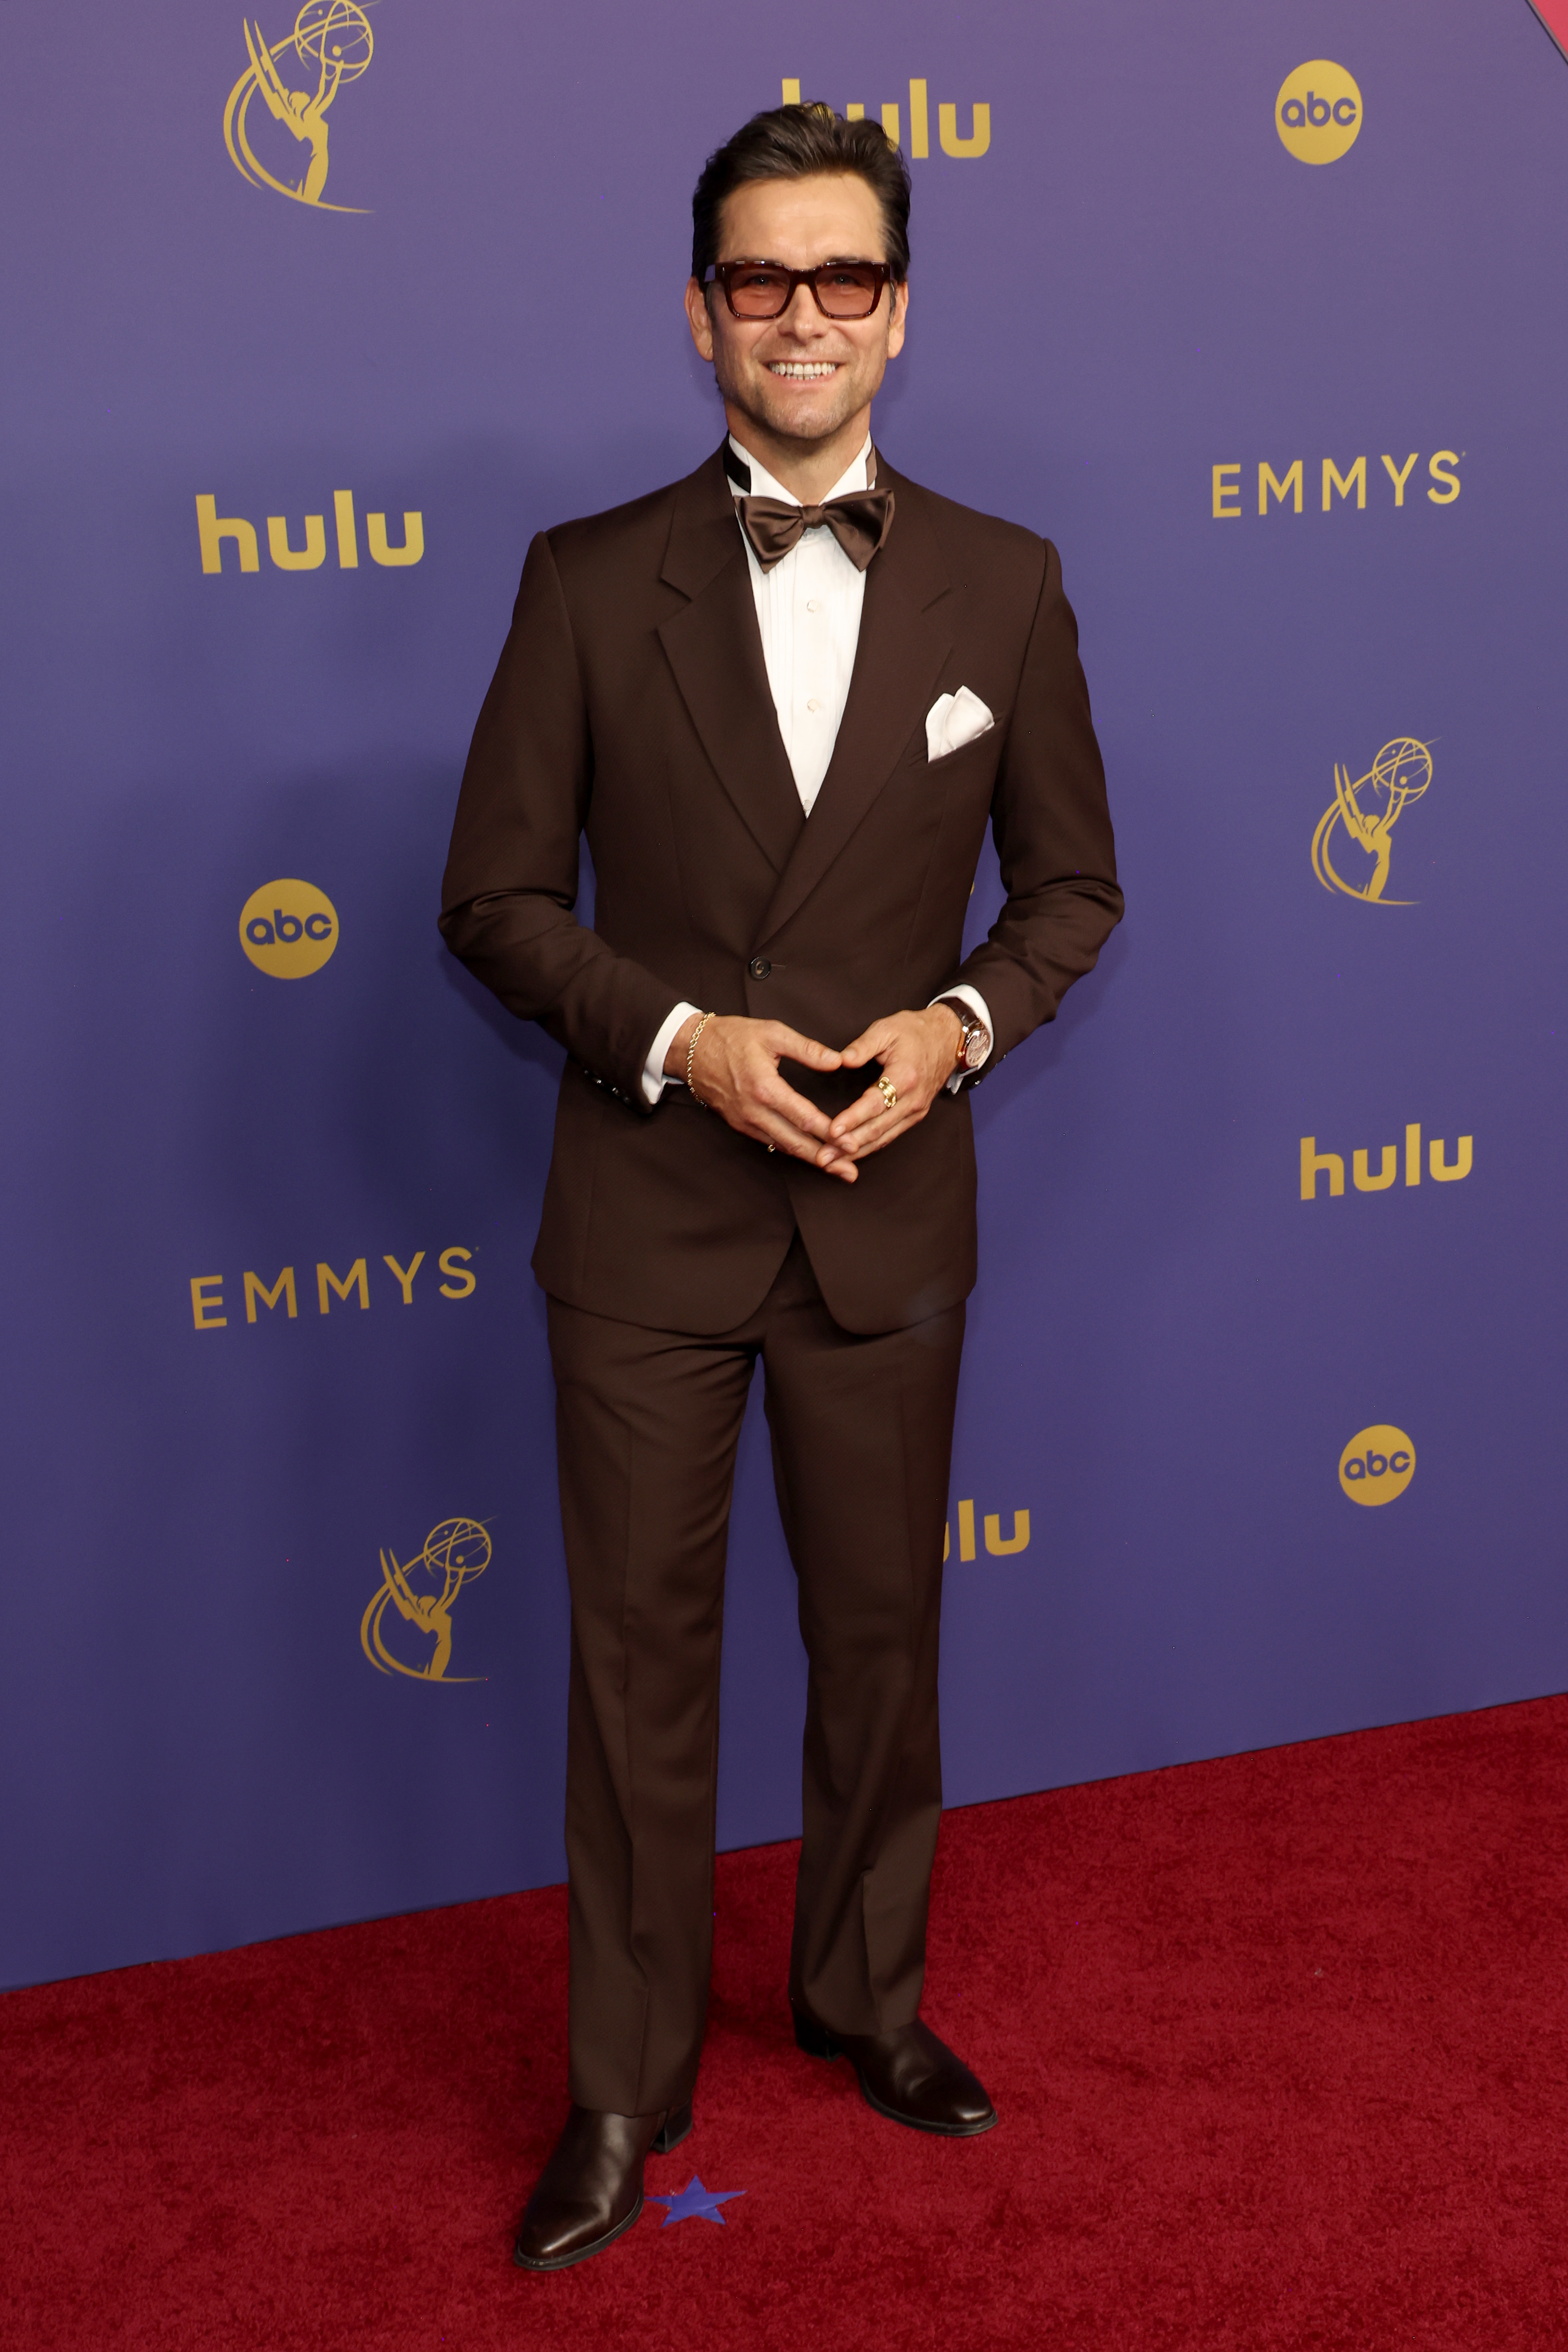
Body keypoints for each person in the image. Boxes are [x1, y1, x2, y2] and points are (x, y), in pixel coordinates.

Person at [440, 101, 1122, 2272]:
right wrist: (680, 1038)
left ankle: (865, 1996)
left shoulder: (1008, 578)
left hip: (885, 1211)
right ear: (701, 311)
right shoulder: (584, 577)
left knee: (883, 1638)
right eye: (762, 277)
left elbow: (1074, 888)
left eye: (845, 277)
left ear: (897, 313)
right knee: (636, 1669)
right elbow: (494, 898)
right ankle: (622, 2087)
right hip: (649, 1213)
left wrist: (963, 1025)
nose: (802, 315)